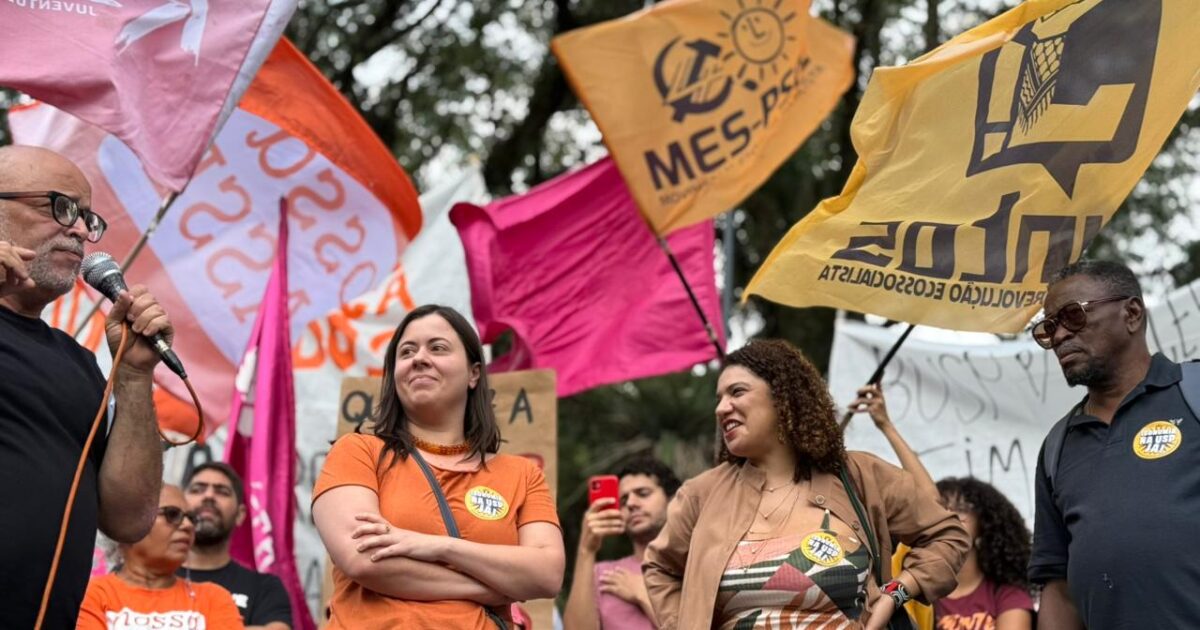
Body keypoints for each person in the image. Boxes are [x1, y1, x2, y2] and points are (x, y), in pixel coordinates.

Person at [644, 339, 969, 630]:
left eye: (737, 392)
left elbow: (947, 535)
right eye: (719, 397)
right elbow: (660, 568)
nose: (721, 407)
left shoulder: (861, 475)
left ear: (783, 396)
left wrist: (895, 595)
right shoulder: (702, 495)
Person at [0, 145, 172, 628]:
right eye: (58, 206)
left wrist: (135, 376)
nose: (78, 230)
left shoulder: (77, 363)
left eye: (85, 217)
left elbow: (129, 520)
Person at [312, 304, 564, 629]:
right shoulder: (358, 452)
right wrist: (493, 588)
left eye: (438, 347)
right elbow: (363, 560)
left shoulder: (523, 474)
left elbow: (547, 575)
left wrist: (437, 546)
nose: (419, 358)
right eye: (406, 352)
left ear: (474, 373)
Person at [1028, 260, 1200, 629]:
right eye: (1048, 327)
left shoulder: (1194, 393)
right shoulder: (1057, 448)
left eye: (1072, 316)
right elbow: (1057, 586)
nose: (1058, 336)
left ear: (1132, 313)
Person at [848, 386, 1034, 630]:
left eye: (963, 508)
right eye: (946, 507)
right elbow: (930, 505)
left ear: (985, 523)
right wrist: (885, 425)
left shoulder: (1006, 594)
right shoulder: (918, 583)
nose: (952, 514)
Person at [77, 484, 245, 629]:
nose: (187, 525)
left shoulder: (214, 598)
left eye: (191, 518)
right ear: (127, 525)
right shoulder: (91, 595)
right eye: (172, 514)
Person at [563, 457, 682, 629]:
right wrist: (586, 550)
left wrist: (642, 593)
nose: (631, 504)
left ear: (672, 500)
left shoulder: (692, 568)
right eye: (623, 501)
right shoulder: (604, 575)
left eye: (643, 493)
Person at [181, 462, 293, 629]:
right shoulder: (143, 574)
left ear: (240, 515)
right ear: (180, 506)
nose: (209, 496)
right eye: (198, 489)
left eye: (222, 492)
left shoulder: (264, 588)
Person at [933, 478, 1032, 630]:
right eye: (941, 509)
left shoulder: (1007, 594)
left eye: (960, 509)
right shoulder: (917, 595)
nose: (949, 517)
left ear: (983, 522)